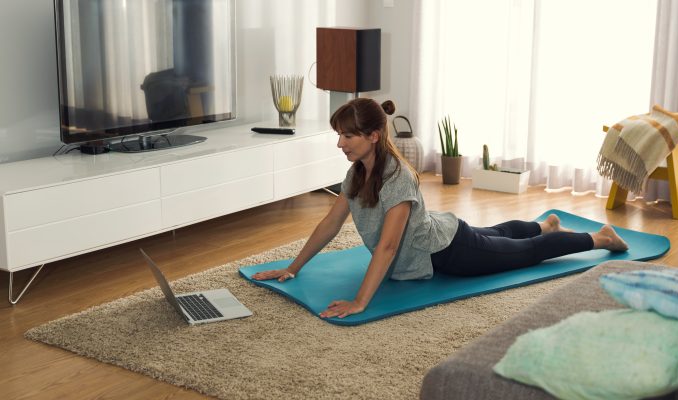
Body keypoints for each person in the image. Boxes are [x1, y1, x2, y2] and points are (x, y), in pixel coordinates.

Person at [252, 98, 628, 319]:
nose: (340, 143)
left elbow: (387, 246)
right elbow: (329, 224)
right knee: (495, 234)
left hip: (450, 251)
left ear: (373, 136)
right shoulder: (356, 174)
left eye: (347, 135)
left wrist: (360, 302)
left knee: (522, 254)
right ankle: (543, 225)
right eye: (339, 134)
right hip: (441, 228)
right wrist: (293, 266)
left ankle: (597, 237)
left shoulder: (397, 178)